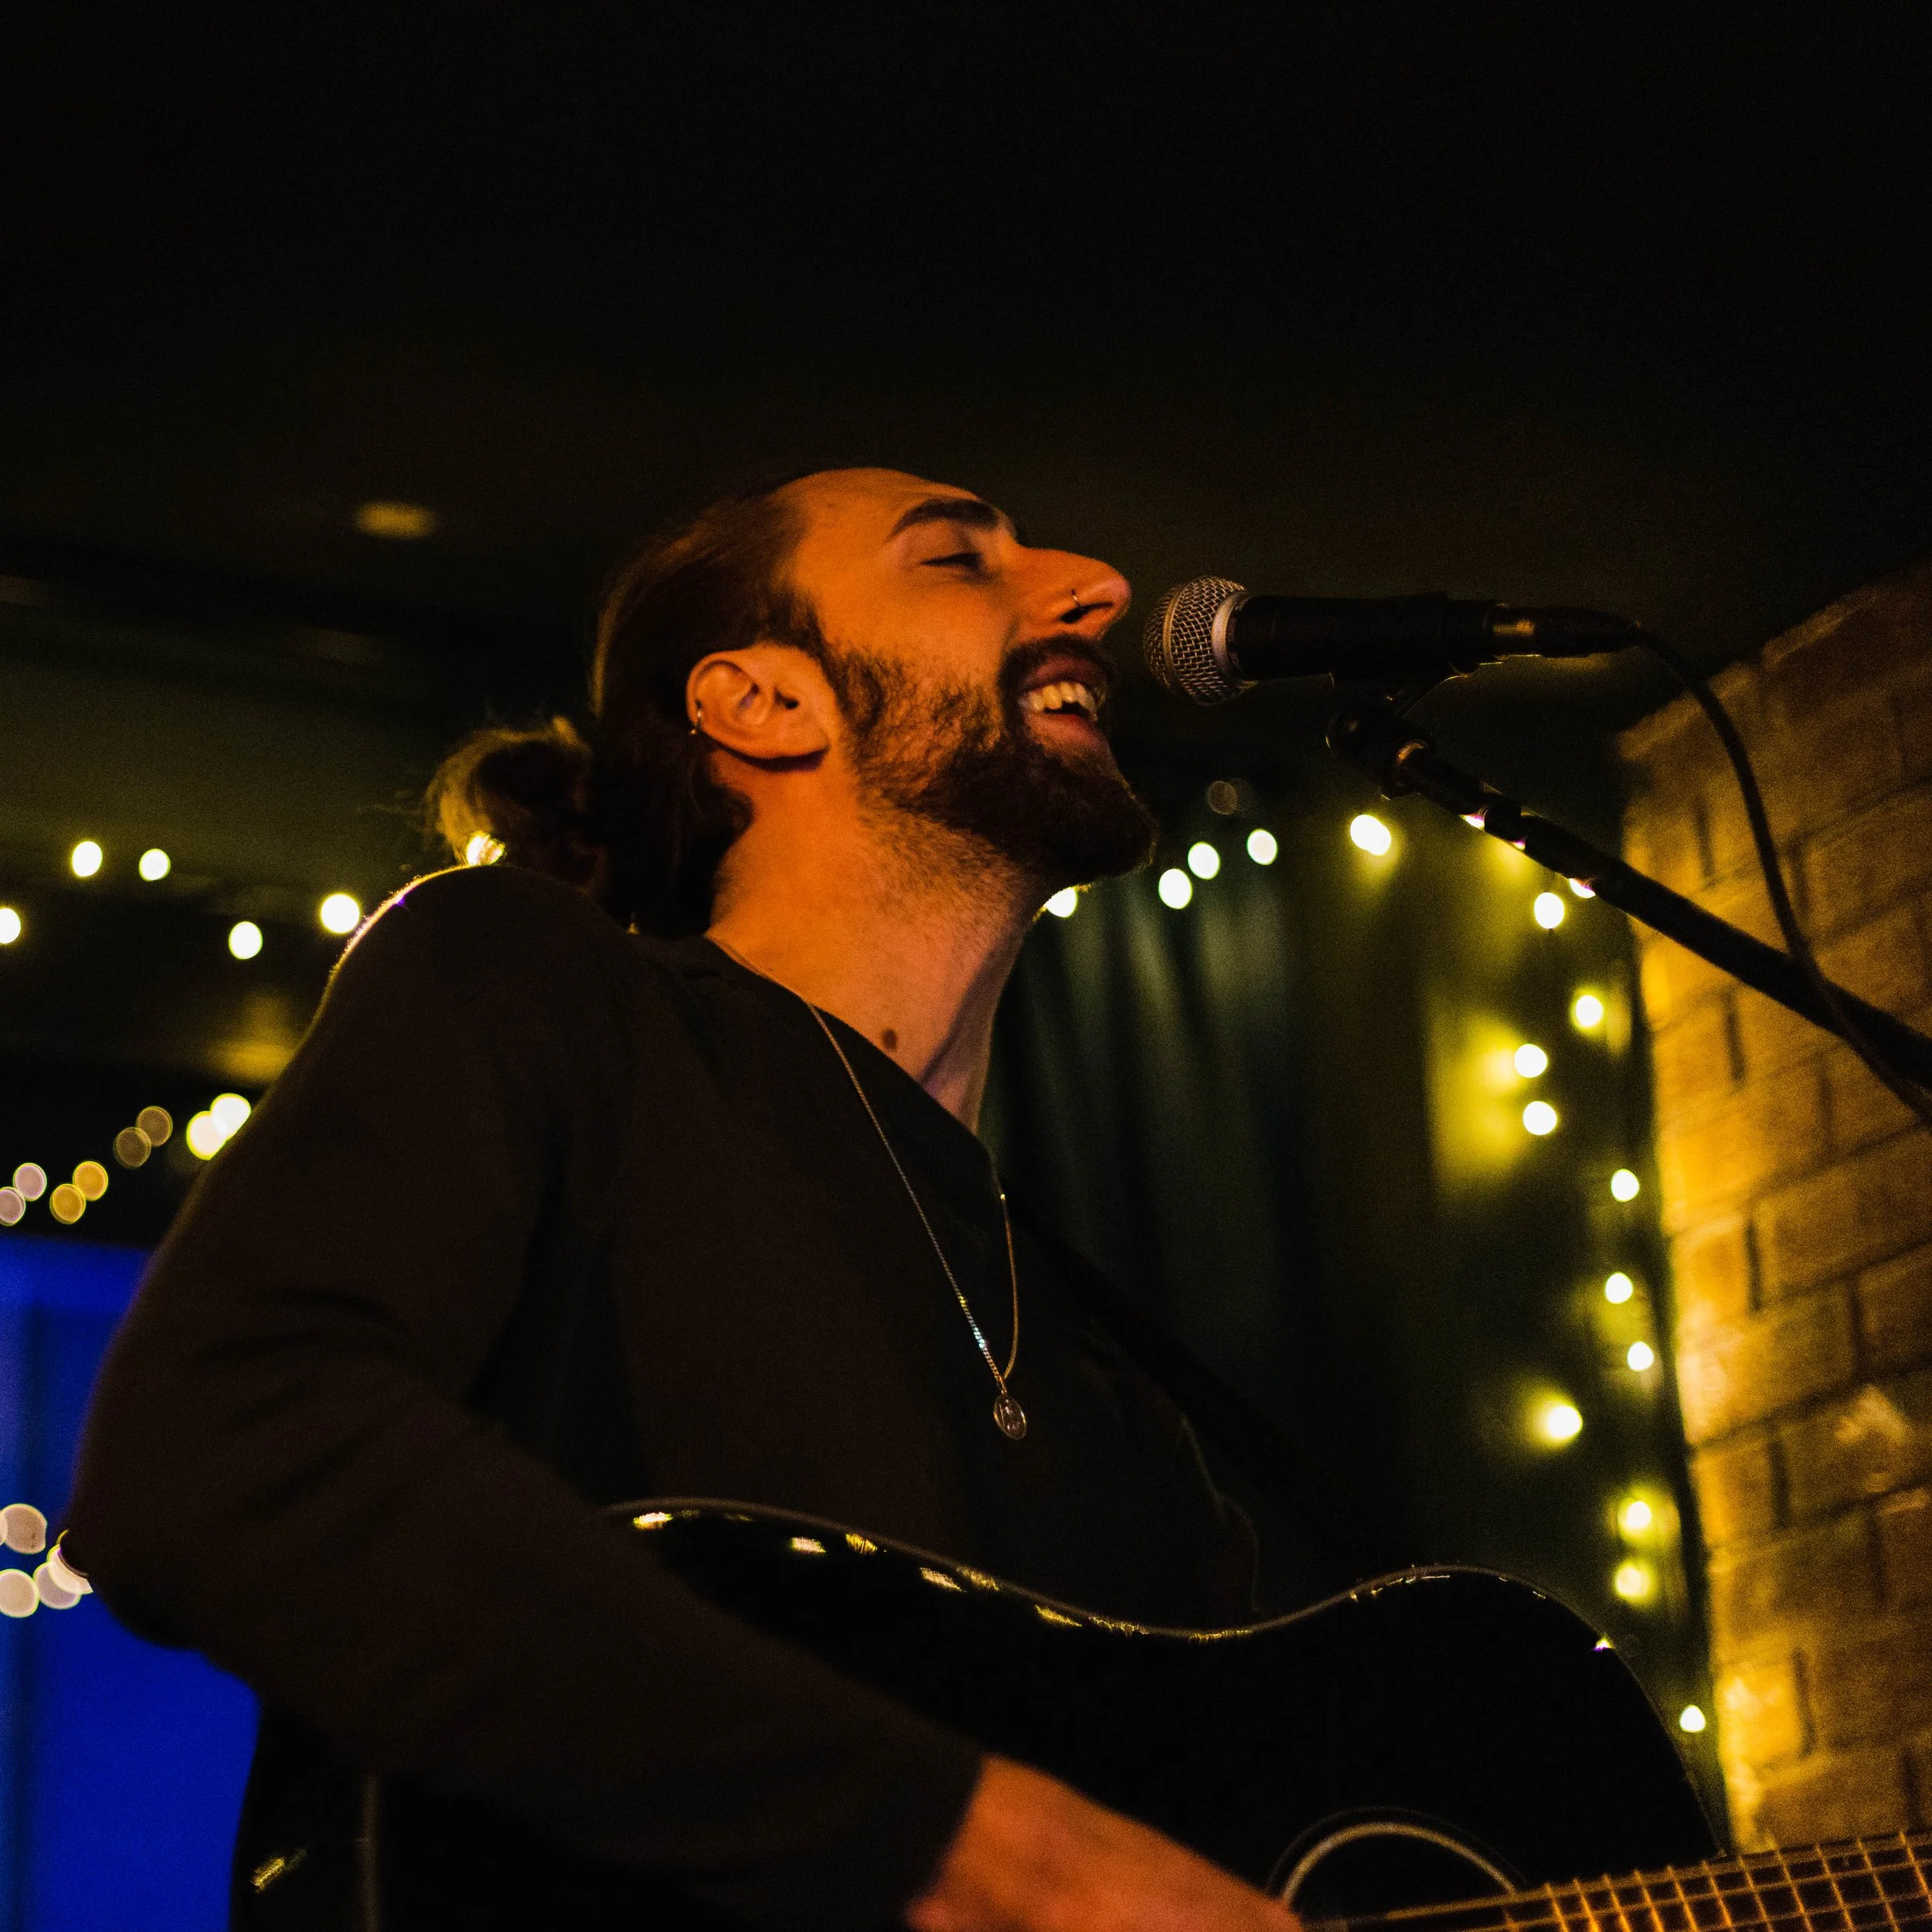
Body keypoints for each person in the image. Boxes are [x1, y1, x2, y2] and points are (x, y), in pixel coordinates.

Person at [68, 468, 1303, 1932]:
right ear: (763, 703)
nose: (1095, 583)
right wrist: (976, 1850)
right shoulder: (534, 987)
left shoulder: (1118, 1402)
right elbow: (216, 1451)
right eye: (961, 560)